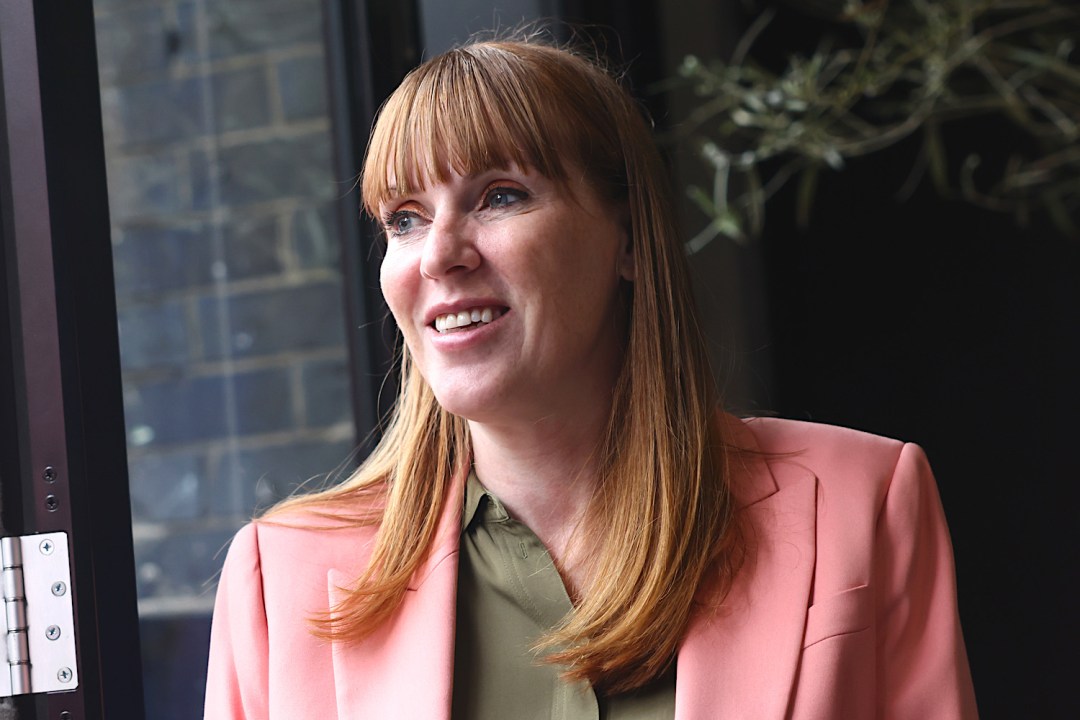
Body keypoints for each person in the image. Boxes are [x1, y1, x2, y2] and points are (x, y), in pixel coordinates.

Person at [204, 35, 978, 719]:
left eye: (499, 196)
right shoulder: (277, 581)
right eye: (404, 218)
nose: (437, 254)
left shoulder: (861, 502)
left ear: (630, 240)